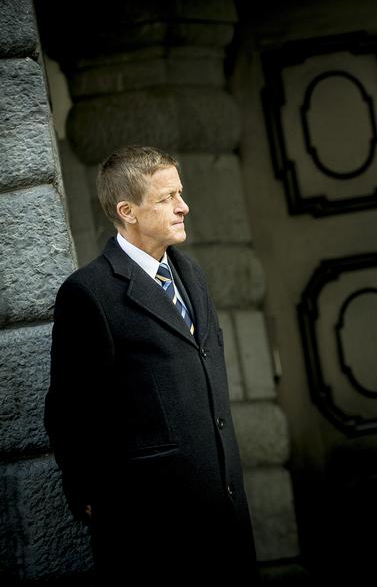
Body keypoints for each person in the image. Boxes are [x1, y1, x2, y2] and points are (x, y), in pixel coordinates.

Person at [45, 146, 256, 581]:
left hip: (226, 514)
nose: (184, 207)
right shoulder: (89, 294)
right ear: (128, 211)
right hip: (153, 531)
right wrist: (89, 494)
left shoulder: (191, 274)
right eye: (167, 198)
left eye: (180, 193)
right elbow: (69, 409)